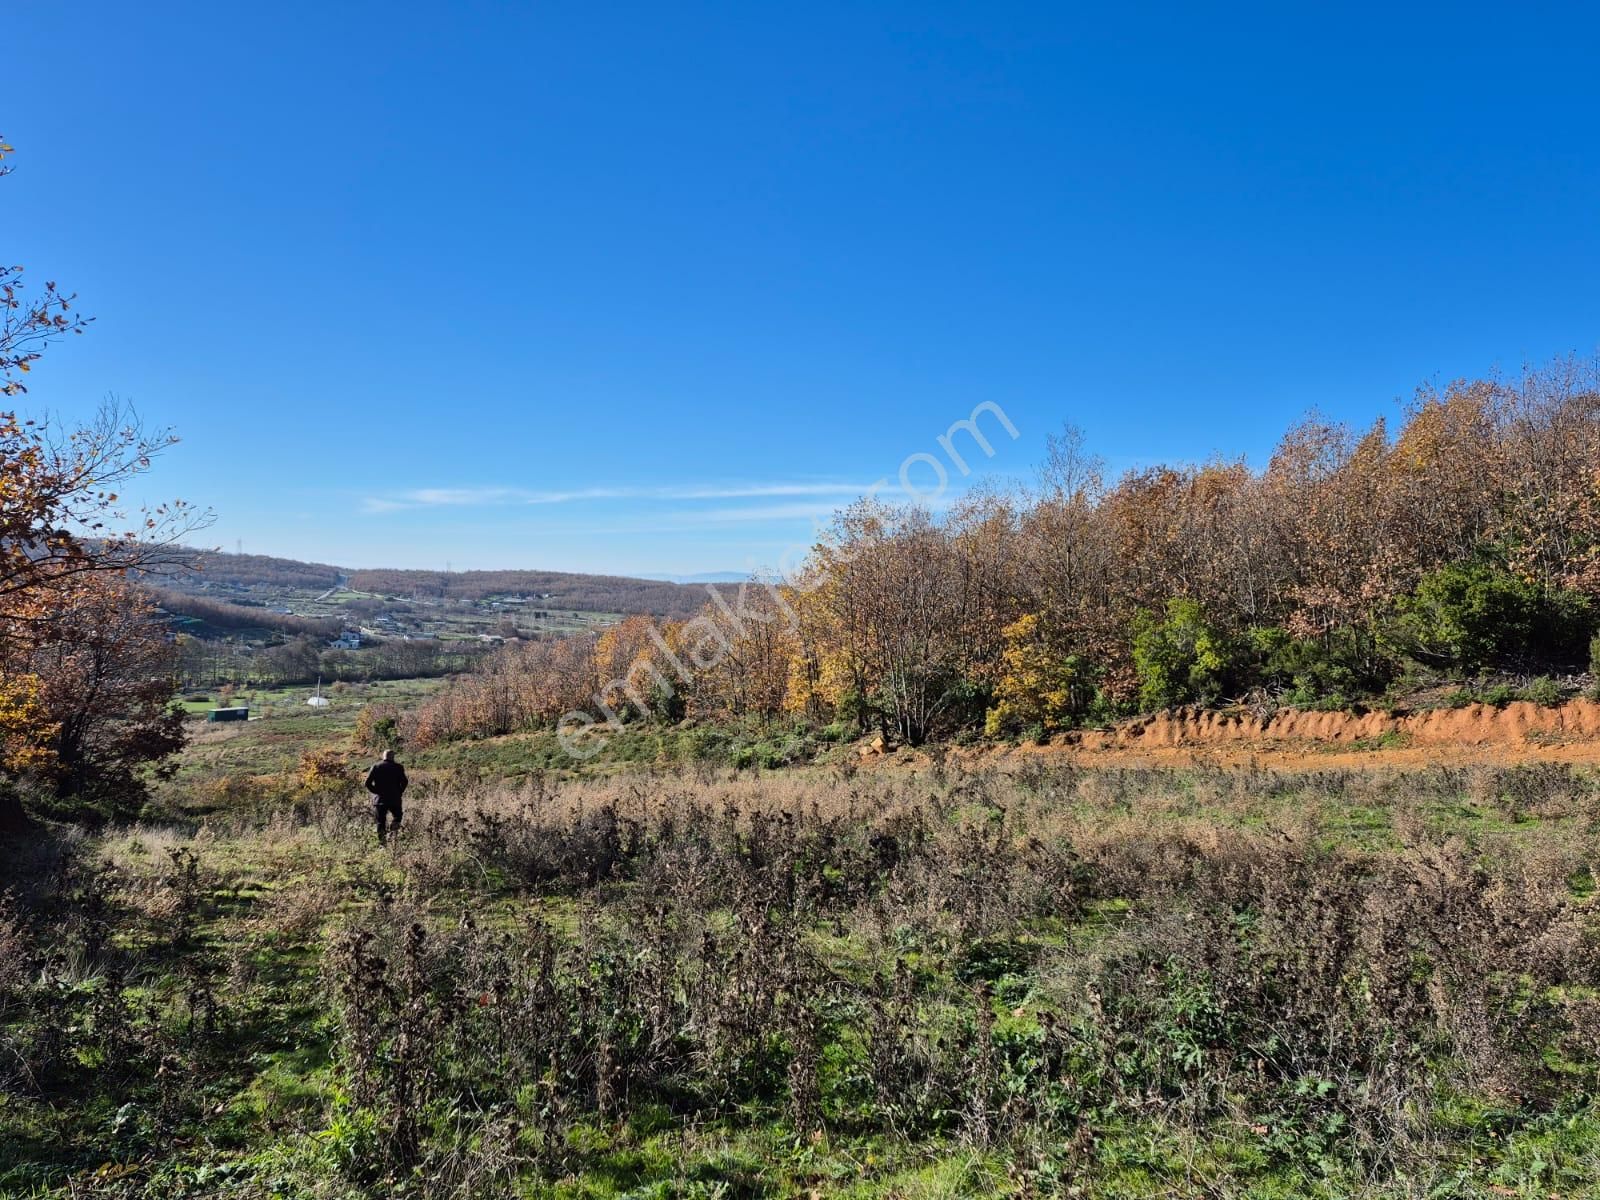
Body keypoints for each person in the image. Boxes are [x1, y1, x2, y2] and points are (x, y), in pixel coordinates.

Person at [364, 748, 408, 844]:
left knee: (380, 822)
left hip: (379, 800)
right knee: (397, 817)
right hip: (394, 799)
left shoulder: (376, 766)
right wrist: (399, 792)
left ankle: (382, 843)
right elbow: (405, 782)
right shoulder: (398, 767)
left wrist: (376, 792)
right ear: (393, 757)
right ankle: (393, 835)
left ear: (383, 756)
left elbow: (367, 783)